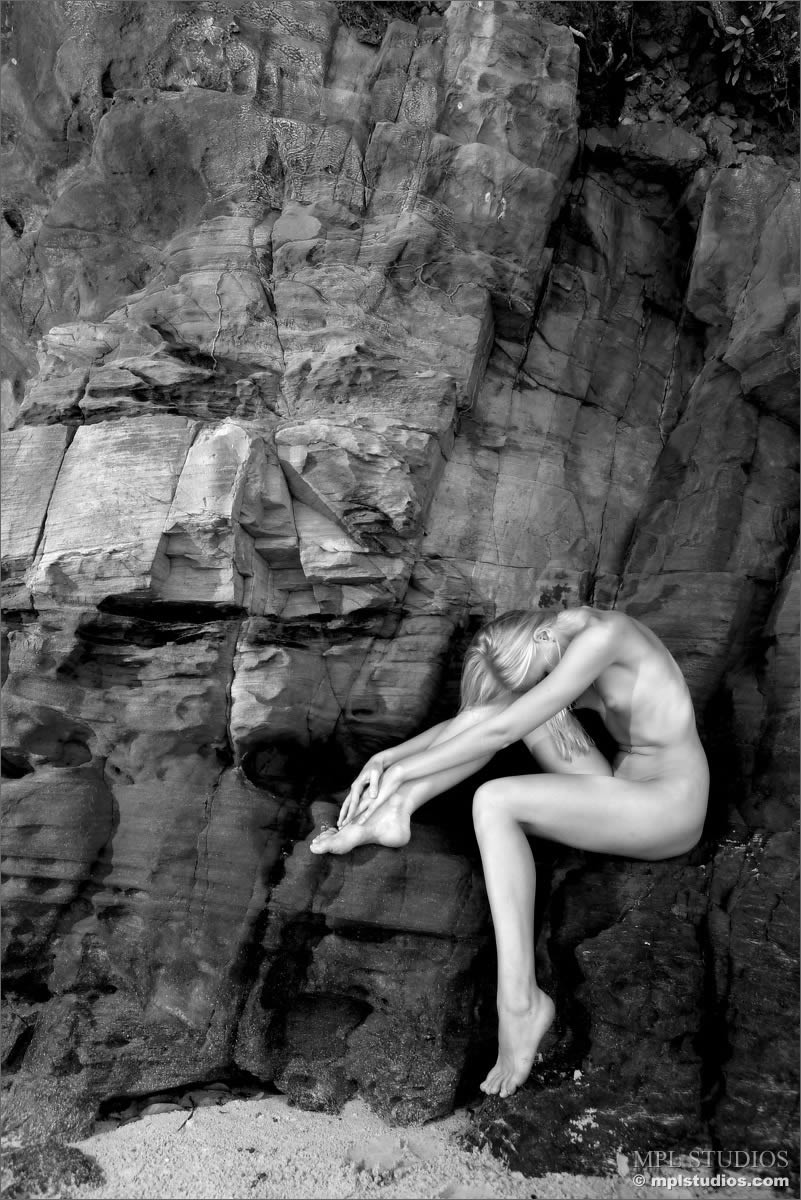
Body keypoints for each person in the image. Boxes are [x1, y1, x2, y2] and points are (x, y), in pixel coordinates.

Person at [310, 605, 709, 1099]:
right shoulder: (558, 643)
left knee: (494, 800)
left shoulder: (605, 636)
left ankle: (519, 1002)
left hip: (668, 806)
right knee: (506, 711)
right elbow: (487, 719)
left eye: (538, 676)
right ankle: (396, 813)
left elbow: (501, 732)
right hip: (617, 787)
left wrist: (402, 771)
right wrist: (388, 758)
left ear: (540, 638)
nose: (543, 684)